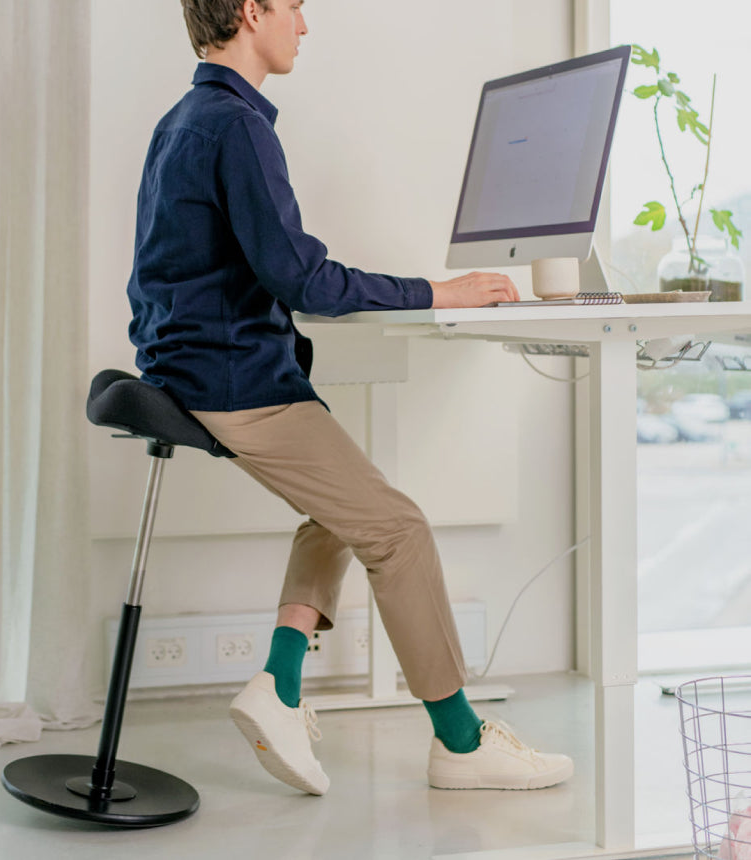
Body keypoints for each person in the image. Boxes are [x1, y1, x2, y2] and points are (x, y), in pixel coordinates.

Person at [127, 0, 573, 795]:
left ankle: (280, 684)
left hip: (194, 364)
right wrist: (443, 292)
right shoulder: (236, 126)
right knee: (397, 529)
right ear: (252, 9)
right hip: (231, 379)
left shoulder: (185, 119)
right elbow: (304, 278)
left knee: (343, 508)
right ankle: (461, 745)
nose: (305, 24)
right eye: (295, 6)